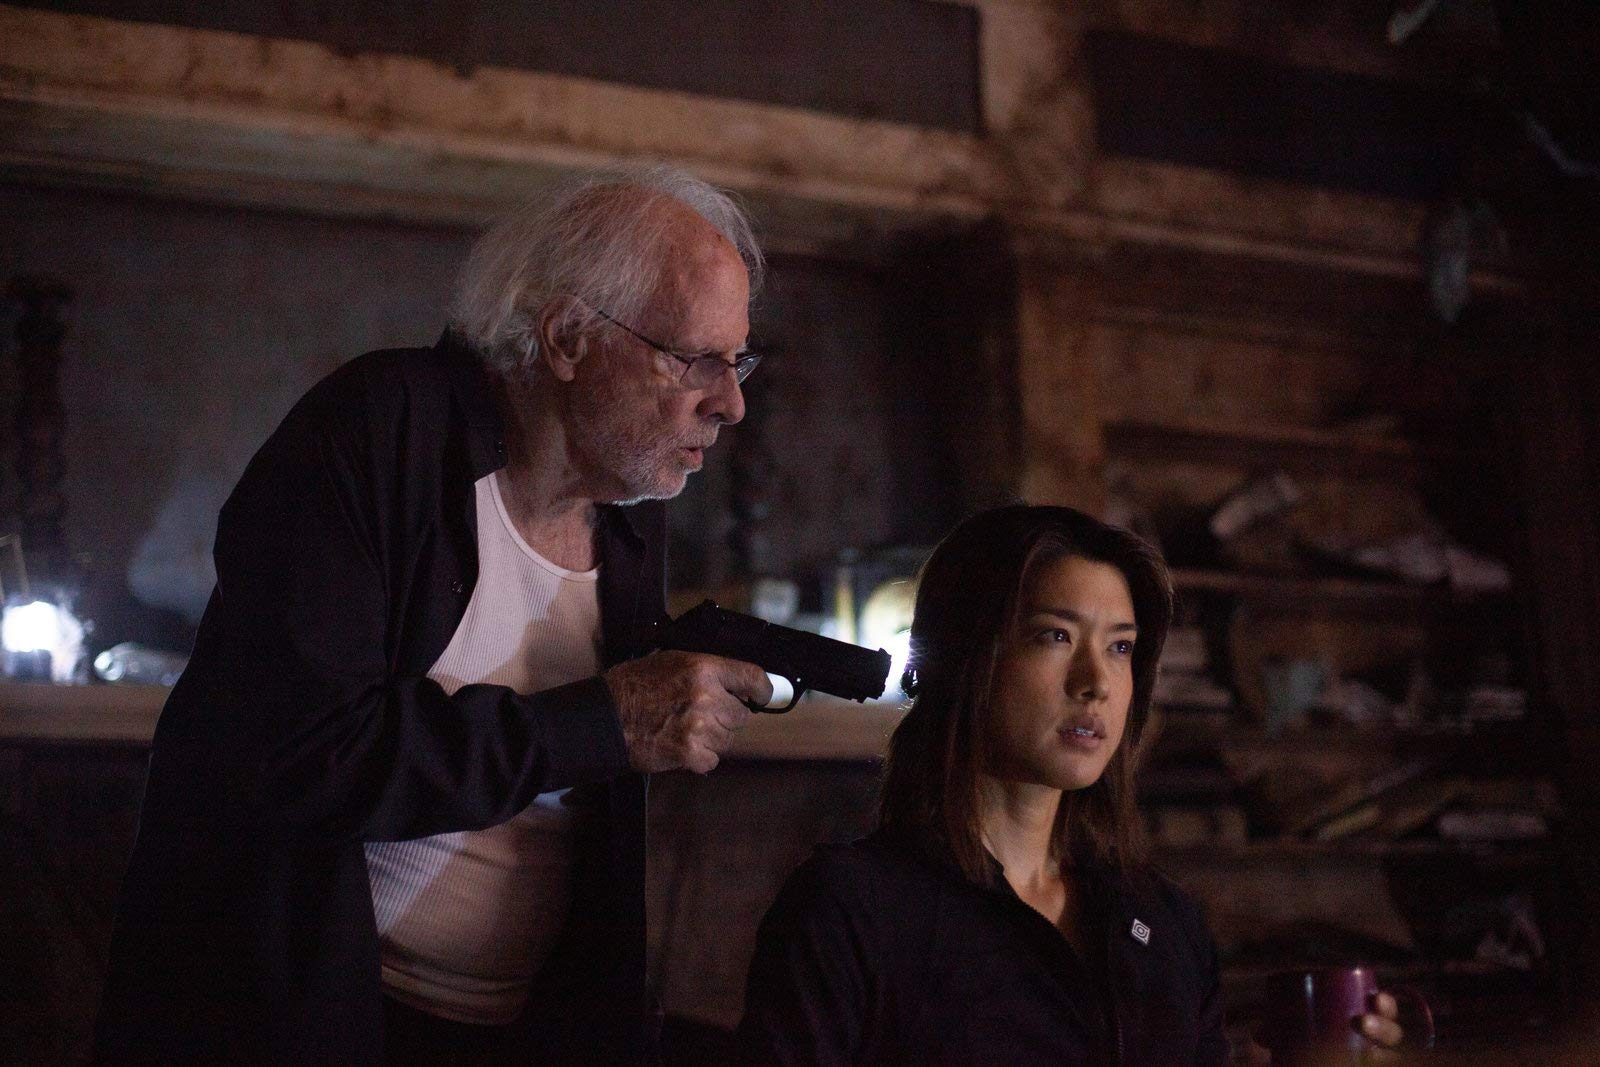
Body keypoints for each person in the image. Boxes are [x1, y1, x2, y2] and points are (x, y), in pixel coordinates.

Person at [95, 165, 774, 1065]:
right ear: (568, 338)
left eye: (738, 361)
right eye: (696, 360)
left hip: (516, 1029)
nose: (731, 402)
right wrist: (602, 722)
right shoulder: (377, 431)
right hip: (305, 1023)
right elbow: (302, 750)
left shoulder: (629, 512)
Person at [737, 504, 1408, 1065]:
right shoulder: (850, 912)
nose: (1096, 682)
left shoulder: (1166, 925)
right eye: (1055, 636)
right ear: (965, 655)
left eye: (1120, 647)